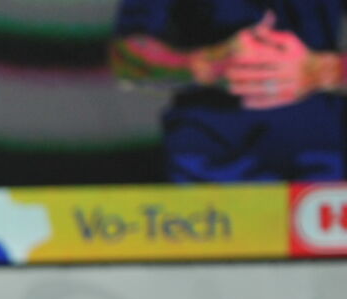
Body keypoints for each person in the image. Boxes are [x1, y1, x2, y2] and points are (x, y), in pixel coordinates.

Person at [112, 1, 347, 181]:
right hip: (207, 150)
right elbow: (127, 57)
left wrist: (324, 70)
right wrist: (205, 65)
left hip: (324, 150)